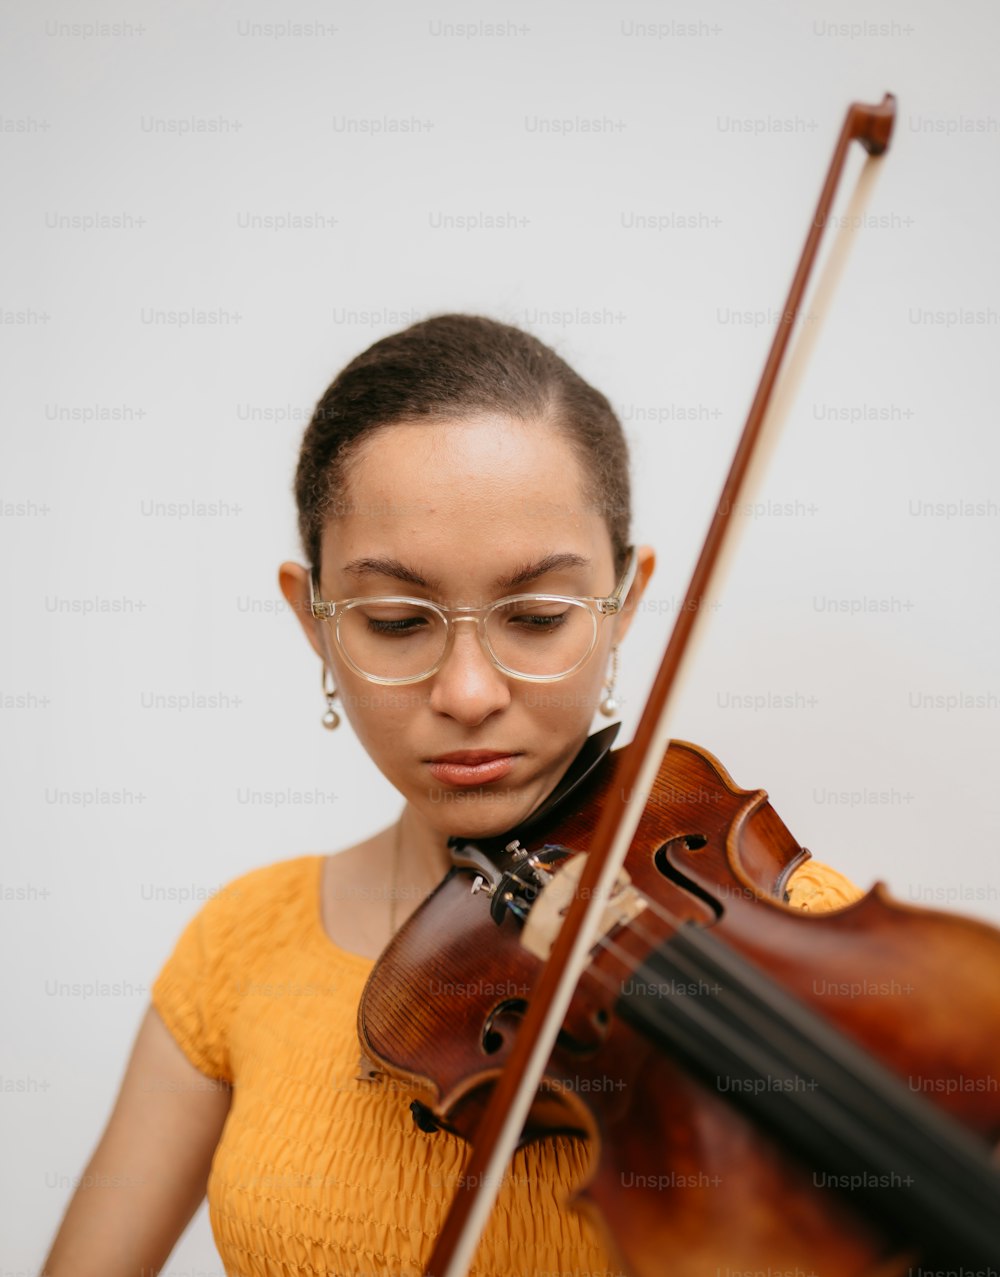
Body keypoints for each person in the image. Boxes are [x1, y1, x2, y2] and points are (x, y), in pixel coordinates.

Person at [40, 314, 859, 1277]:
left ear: (626, 604)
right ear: (314, 621)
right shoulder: (240, 944)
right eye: (395, 622)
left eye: (538, 615)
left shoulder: (796, 937)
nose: (469, 693)